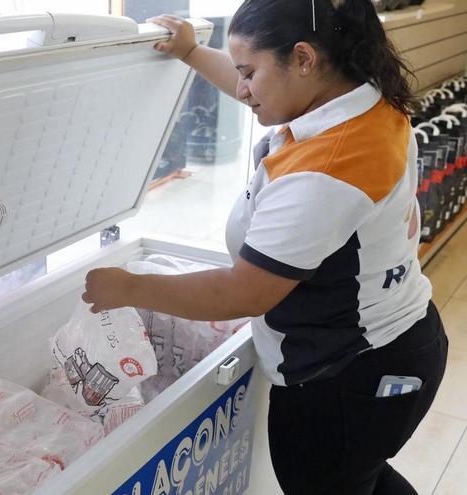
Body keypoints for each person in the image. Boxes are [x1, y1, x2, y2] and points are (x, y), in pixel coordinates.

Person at [81, 1, 449, 493]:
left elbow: (244, 294)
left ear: (303, 58)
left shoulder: (329, 169)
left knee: (334, 480)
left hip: (348, 378)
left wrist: (128, 287)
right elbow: (263, 92)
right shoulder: (359, 98)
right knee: (362, 477)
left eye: (248, 72)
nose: (242, 88)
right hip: (399, 344)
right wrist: (192, 52)